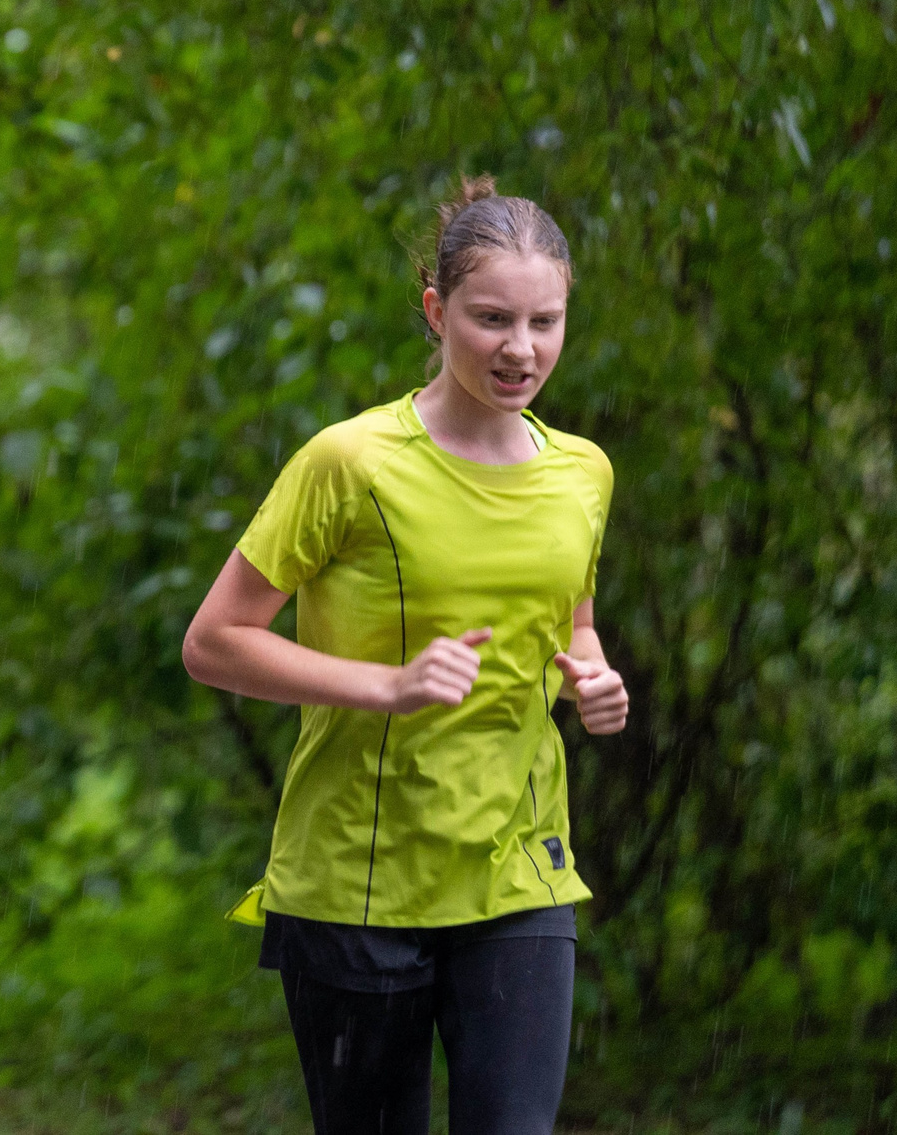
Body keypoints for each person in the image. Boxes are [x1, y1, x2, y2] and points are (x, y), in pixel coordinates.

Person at [180, 177, 632, 1135]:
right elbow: (214, 641)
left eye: (544, 321)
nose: (521, 348)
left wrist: (591, 678)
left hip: (521, 869)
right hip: (360, 878)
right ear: (436, 310)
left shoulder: (581, 471)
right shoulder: (348, 463)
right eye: (492, 318)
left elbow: (572, 622)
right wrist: (386, 684)